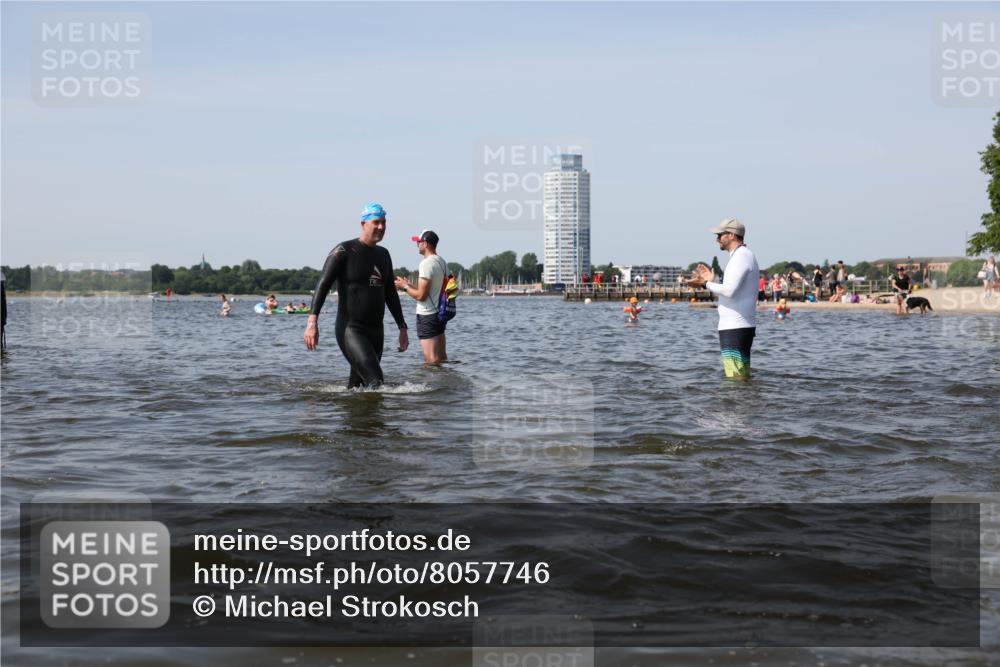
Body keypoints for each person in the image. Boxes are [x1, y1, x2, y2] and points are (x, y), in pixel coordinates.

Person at [303, 202, 409, 388]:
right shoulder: (344, 251)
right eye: (376, 222)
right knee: (376, 381)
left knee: (359, 387)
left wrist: (402, 327)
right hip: (351, 329)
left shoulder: (384, 254)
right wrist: (312, 323)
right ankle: (378, 417)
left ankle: (352, 415)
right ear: (363, 224)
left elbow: (390, 293)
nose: (381, 227)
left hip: (376, 332)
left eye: (384, 222)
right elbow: (323, 284)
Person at [688, 218, 760, 379]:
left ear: (732, 235)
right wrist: (712, 282)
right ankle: (744, 402)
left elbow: (730, 291)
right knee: (738, 376)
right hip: (736, 326)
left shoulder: (741, 256)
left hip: (736, 327)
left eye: (720, 235)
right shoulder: (742, 255)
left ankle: (740, 403)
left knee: (736, 377)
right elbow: (731, 291)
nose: (717, 238)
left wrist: (705, 283)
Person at [394, 229, 448, 364]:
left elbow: (421, 296)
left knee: (431, 361)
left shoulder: (426, 263)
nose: (417, 244)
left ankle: (431, 384)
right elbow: (430, 292)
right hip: (439, 314)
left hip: (427, 316)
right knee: (441, 358)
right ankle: (445, 384)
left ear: (426, 244)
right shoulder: (442, 262)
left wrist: (404, 287)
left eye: (418, 242)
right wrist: (410, 285)